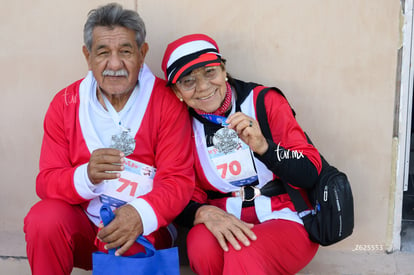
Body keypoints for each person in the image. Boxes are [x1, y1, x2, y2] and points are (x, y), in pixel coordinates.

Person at [23, 3, 194, 275]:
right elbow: (46, 181)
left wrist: (139, 213)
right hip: (85, 225)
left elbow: (178, 180)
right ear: (87, 56)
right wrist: (86, 176)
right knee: (43, 219)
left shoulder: (166, 101)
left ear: (142, 53)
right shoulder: (65, 103)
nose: (115, 64)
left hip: (146, 230)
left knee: (130, 239)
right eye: (103, 52)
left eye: (125, 51)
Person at [161, 34, 322, 275]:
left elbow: (310, 172)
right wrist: (201, 212)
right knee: (200, 246)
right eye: (188, 81)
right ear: (177, 91)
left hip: (285, 213)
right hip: (225, 213)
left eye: (210, 72)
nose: (203, 87)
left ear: (224, 70)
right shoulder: (180, 124)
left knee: (242, 250)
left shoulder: (264, 102)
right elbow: (179, 188)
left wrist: (264, 147)